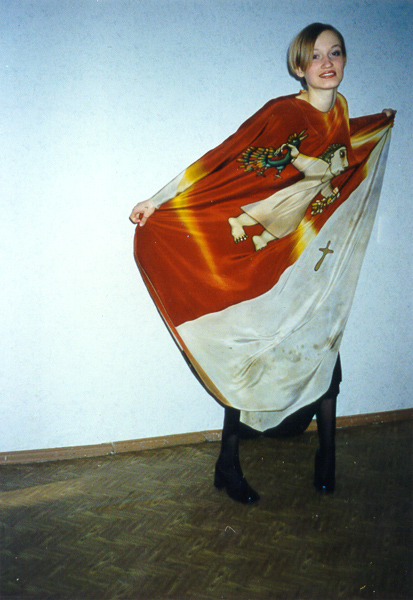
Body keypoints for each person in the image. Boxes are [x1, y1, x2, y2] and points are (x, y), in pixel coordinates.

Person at [130, 23, 396, 504]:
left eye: (335, 53)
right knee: (246, 355)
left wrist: (377, 125)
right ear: (299, 66)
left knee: (324, 347)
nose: (327, 63)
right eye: (316, 55)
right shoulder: (282, 112)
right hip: (265, 254)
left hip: (306, 254)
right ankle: (227, 463)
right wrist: (159, 199)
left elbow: (339, 155)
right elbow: (226, 156)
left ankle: (327, 456)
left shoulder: (341, 113)